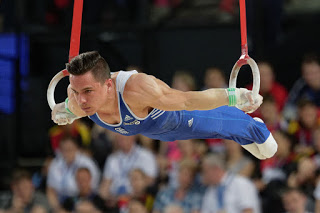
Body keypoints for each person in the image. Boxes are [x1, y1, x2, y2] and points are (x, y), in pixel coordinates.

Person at [51, 51, 278, 160]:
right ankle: (242, 133)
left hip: (179, 118)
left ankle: (252, 127)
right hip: (156, 134)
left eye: (88, 91)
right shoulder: (78, 101)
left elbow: (190, 100)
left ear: (109, 85)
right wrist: (64, 114)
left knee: (268, 150)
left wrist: (235, 96)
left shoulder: (137, 90)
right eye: (76, 92)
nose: (81, 100)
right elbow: (65, 109)